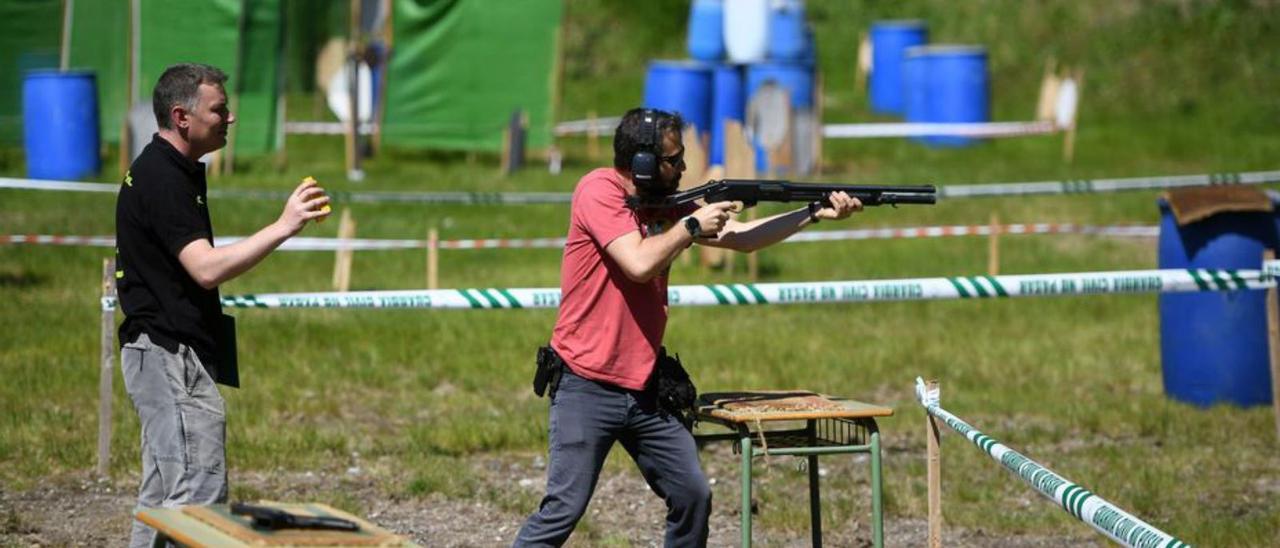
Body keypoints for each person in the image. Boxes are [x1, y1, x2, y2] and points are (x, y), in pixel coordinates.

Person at [514, 108, 863, 547]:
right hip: (587, 383)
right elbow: (638, 263)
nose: (682, 168)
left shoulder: (671, 202)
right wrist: (690, 227)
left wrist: (812, 213)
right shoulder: (598, 189)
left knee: (693, 494)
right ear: (642, 163)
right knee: (564, 508)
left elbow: (745, 237)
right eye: (673, 160)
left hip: (643, 386)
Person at [115, 63, 331, 547]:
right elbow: (206, 268)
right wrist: (283, 226)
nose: (229, 118)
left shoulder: (172, 170)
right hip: (169, 357)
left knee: (163, 497)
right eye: (219, 109)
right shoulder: (163, 178)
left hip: (162, 353)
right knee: (198, 496)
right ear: (182, 117)